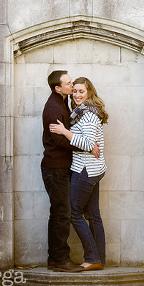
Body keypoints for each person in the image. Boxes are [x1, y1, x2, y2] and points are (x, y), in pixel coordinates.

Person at [41, 70, 100, 273]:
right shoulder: (53, 107)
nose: (71, 85)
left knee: (59, 213)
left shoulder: (63, 103)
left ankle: (54, 258)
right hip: (55, 169)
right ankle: (60, 259)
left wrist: (81, 141)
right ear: (58, 88)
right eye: (68, 83)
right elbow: (59, 140)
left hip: (61, 168)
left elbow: (69, 134)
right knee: (63, 214)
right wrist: (85, 146)